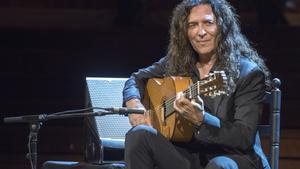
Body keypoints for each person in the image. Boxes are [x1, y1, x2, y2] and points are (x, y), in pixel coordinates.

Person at [122, 0, 271, 168]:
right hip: (190, 157)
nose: (200, 32)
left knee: (218, 165)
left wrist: (202, 119)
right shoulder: (177, 63)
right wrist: (133, 104)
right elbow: (135, 79)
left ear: (223, 27)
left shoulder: (248, 73)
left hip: (234, 158)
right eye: (192, 25)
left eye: (208, 23)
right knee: (139, 135)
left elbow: (244, 138)